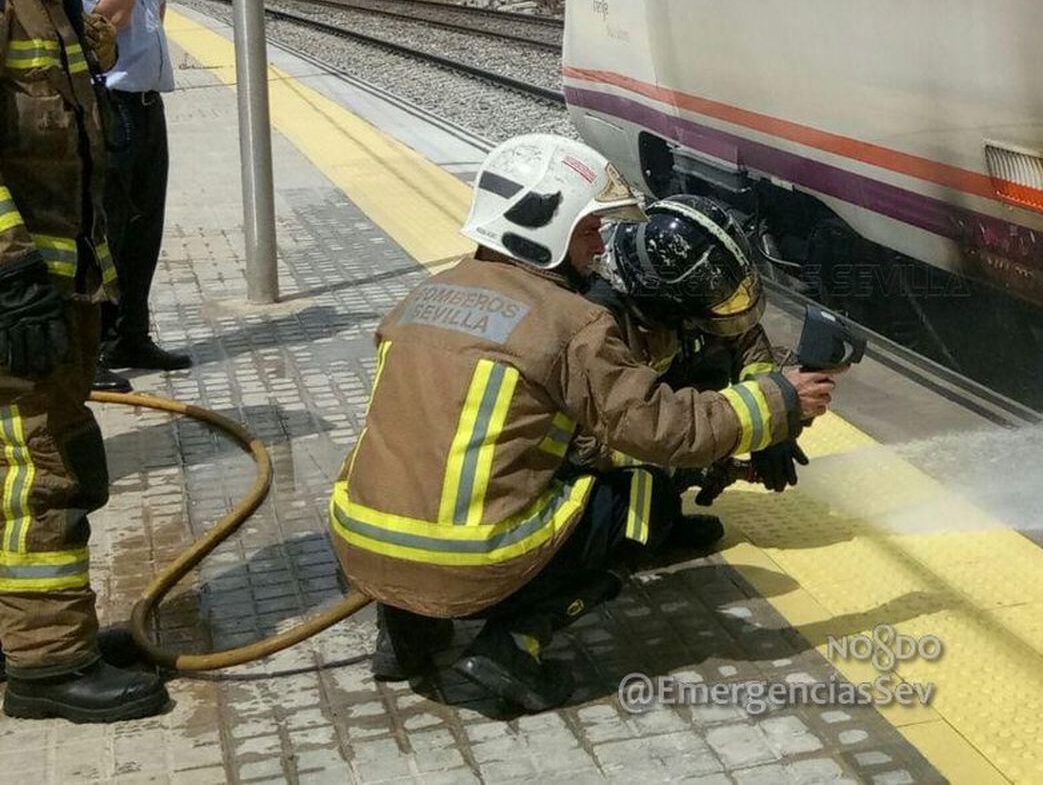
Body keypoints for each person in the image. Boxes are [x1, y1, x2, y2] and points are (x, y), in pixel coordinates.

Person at [328, 135, 837, 714]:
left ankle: (407, 635)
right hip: (471, 563)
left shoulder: (423, 295)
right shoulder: (571, 322)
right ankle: (511, 649)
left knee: (430, 483)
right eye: (590, 229)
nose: (601, 247)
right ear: (544, 230)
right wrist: (776, 403)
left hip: (360, 548)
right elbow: (661, 429)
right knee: (644, 496)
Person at [0, 0, 168, 721]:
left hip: (60, 293)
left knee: (57, 462)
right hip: (19, 297)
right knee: (43, 478)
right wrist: (13, 272)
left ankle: (35, 628)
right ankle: (47, 665)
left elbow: (91, 44)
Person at [574, 194, 810, 559]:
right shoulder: (595, 328)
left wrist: (773, 422)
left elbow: (743, 337)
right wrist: (709, 449)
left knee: (709, 364)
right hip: (578, 465)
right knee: (646, 501)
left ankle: (662, 503)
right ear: (663, 305)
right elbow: (589, 446)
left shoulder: (666, 298)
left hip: (645, 412)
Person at [64, 0, 188, 388]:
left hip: (144, 105)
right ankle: (92, 351)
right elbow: (107, 16)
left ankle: (131, 334)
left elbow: (153, 6)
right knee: (105, 233)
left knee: (143, 230)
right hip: (109, 107)